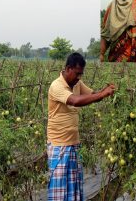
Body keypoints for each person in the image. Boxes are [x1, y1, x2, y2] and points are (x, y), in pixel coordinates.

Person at [47, 52, 116, 200]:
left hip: (73, 143)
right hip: (59, 145)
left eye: (81, 74)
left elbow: (92, 95)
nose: (79, 77)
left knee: (74, 187)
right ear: (68, 69)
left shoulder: (77, 83)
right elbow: (75, 101)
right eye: (77, 73)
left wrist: (104, 91)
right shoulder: (56, 86)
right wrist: (102, 95)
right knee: (59, 190)